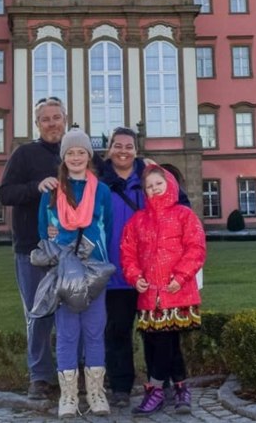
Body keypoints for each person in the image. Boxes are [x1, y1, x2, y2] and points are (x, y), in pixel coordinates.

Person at [97, 127, 191, 407]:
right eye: (117, 145)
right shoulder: (98, 181)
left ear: (137, 150)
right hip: (115, 271)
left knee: (159, 332)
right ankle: (121, 388)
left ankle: (163, 384)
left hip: (154, 274)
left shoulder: (150, 176)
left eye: (129, 146)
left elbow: (181, 206)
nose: (123, 151)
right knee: (117, 331)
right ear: (109, 149)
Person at [38, 128, 113, 418]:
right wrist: (51, 232)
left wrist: (103, 259)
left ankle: (95, 393)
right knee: (68, 333)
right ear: (64, 157)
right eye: (71, 152)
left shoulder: (102, 191)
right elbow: (42, 230)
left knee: (94, 331)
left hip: (94, 271)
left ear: (89, 156)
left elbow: (108, 227)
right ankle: (68, 396)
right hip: (65, 271)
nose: (76, 157)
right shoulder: (53, 190)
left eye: (81, 152)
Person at [121, 165, 206, 415]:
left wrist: (181, 276)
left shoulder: (184, 215)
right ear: (144, 191)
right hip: (150, 295)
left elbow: (196, 248)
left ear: (170, 184)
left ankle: (157, 389)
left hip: (176, 291)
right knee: (164, 343)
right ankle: (180, 388)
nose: (154, 188)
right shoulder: (138, 220)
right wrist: (135, 276)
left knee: (165, 342)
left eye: (158, 183)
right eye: (149, 186)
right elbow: (128, 252)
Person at [0, 96, 67, 400]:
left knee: (72, 313)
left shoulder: (75, 152)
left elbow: (105, 180)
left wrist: (143, 166)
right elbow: (5, 194)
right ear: (37, 124)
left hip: (71, 250)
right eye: (45, 119)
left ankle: (71, 372)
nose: (52, 123)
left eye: (56, 117)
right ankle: (40, 377)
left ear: (65, 119)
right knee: (38, 314)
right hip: (32, 249)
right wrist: (34, 188)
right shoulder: (24, 154)